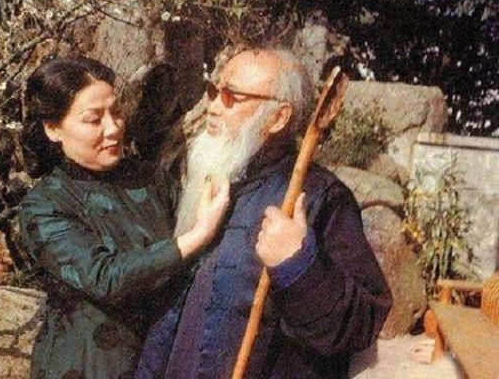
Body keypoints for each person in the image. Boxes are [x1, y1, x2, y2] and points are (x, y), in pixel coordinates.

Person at [136, 48, 393, 379]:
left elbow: (360, 324)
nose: (213, 107)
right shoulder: (210, 183)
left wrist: (299, 265)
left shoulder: (318, 198)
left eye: (231, 96)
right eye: (213, 91)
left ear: (278, 117)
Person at [19, 57, 229, 379]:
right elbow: (106, 278)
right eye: (94, 120)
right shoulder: (45, 205)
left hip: (161, 354)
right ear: (53, 129)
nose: (113, 128)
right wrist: (197, 236)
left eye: (116, 112)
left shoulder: (149, 178)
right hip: (89, 365)